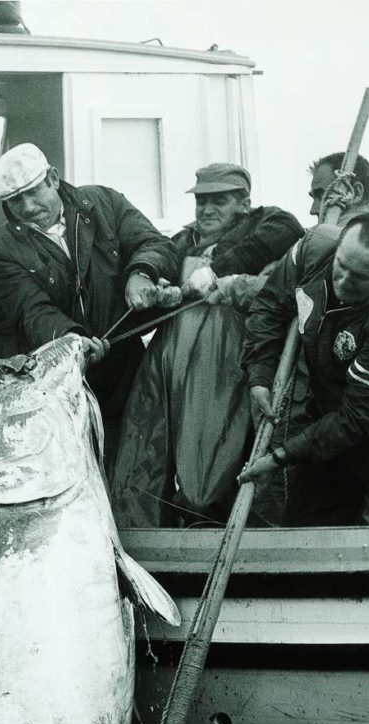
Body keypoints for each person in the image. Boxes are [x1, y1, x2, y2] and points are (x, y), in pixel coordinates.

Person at [111, 162, 303, 527]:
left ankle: (207, 517)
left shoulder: (268, 223)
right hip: (170, 361)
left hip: (222, 362)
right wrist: (157, 287)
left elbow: (288, 230)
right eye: (202, 201)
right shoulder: (182, 241)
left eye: (220, 201)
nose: (207, 209)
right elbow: (159, 260)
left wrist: (217, 268)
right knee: (149, 446)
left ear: (244, 203)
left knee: (212, 454)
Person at [240, 210, 369, 526]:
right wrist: (260, 375)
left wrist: (280, 456)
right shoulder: (315, 245)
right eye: (341, 266)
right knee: (303, 536)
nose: (343, 281)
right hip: (330, 419)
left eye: (361, 277)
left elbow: (357, 419)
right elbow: (270, 306)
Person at [0, 143, 180, 459]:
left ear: (53, 178)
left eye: (34, 192)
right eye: (16, 200)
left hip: (130, 365)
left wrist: (142, 272)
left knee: (144, 461)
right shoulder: (1, 249)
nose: (29, 206)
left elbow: (154, 242)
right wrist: (71, 343)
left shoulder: (104, 203)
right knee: (79, 466)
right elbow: (31, 311)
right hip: (60, 382)